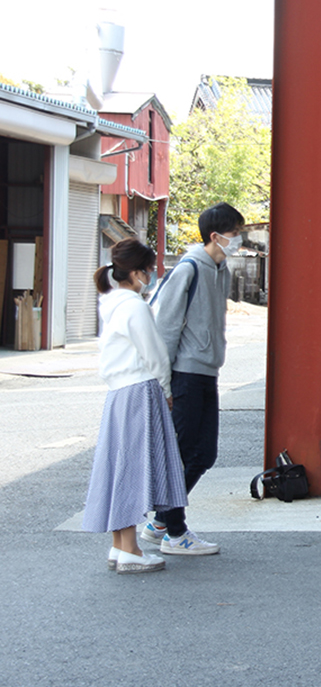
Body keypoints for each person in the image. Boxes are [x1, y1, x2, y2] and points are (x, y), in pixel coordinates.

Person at [141, 202, 245, 556]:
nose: (239, 240)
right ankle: (175, 532)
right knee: (184, 454)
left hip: (207, 372)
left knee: (205, 454)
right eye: (234, 234)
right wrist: (165, 384)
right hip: (185, 375)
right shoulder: (189, 269)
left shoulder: (222, 269)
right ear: (215, 236)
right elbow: (165, 328)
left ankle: (159, 520)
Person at [83, 238, 188, 574]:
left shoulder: (111, 302)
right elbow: (155, 354)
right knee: (134, 468)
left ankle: (121, 545)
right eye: (149, 269)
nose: (152, 274)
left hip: (118, 393)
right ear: (138, 272)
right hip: (140, 390)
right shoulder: (135, 307)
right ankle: (130, 550)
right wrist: (167, 389)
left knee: (120, 465)